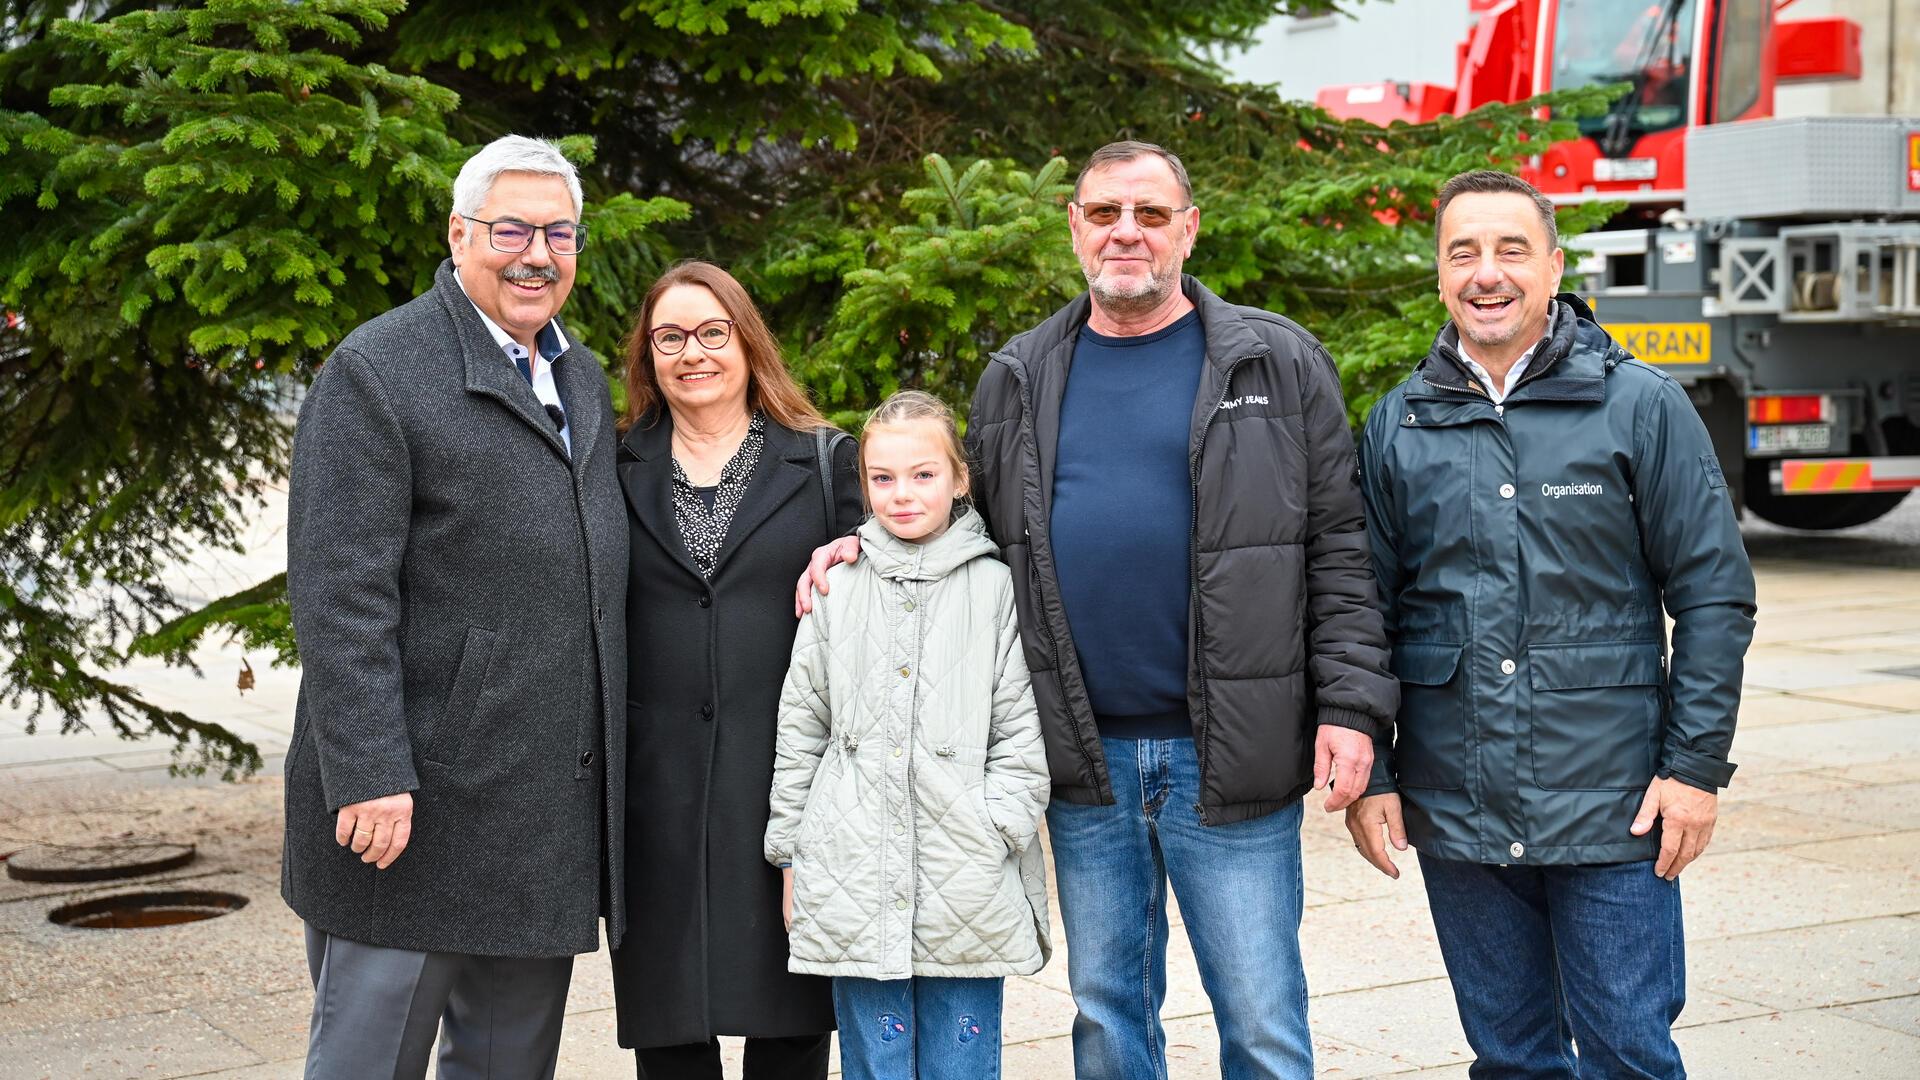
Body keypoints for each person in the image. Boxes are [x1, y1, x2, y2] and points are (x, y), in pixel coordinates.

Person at [799, 140, 1398, 1079]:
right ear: (1075, 228)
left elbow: (1340, 549)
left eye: (1151, 214)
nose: (1127, 232)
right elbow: (963, 532)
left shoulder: (1276, 363)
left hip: (1232, 756)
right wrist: (861, 549)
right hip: (1084, 763)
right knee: (1109, 1016)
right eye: (1106, 214)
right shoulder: (1021, 374)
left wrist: (1352, 708)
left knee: (1262, 1017)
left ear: (1188, 229)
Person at [1348, 169, 1756, 1079]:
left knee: (1628, 1057)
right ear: (1440, 273)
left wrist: (1693, 769)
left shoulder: (1639, 405)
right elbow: (1361, 612)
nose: (1486, 273)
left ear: (1555, 265)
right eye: (1464, 252)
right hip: (1456, 809)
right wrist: (1374, 768)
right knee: (1511, 1059)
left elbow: (1714, 595)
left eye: (1510, 250)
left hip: (1617, 807)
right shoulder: (1398, 424)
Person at [283, 134, 627, 1080]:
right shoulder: (379, 370)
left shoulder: (582, 377)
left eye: (559, 233)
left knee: (507, 1067)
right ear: (458, 234)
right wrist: (366, 770)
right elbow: (338, 590)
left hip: (538, 814)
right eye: (510, 228)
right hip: (409, 812)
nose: (535, 253)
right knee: (369, 1062)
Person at [611, 260, 862, 1079]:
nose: (694, 353)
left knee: (790, 1031)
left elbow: (934, 539)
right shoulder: (609, 468)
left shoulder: (825, 461)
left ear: (747, 342)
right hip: (656, 796)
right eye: (671, 337)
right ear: (647, 356)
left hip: (789, 786)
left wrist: (871, 547)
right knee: (670, 1040)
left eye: (713, 333)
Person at [767, 390, 1052, 1080]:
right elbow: (803, 726)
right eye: (882, 478)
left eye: (923, 475)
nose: (901, 495)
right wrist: (793, 853)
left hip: (969, 877)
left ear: (959, 479)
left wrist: (997, 828)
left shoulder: (996, 589)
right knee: (878, 1062)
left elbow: (1022, 732)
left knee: (962, 1061)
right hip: (852, 872)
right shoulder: (837, 586)